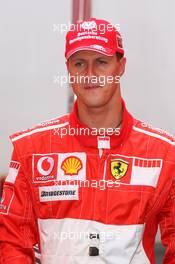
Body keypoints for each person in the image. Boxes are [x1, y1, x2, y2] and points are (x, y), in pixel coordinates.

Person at [0, 17, 175, 264]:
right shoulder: (31, 149)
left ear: (121, 65)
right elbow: (12, 244)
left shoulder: (164, 155)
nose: (90, 74)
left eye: (101, 62)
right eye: (79, 63)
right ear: (68, 68)